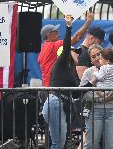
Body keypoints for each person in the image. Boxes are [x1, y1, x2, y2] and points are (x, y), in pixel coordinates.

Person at [42, 15, 77, 149]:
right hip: (55, 103)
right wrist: (68, 27)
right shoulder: (60, 63)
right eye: (73, 52)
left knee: (60, 142)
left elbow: (77, 94)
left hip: (58, 104)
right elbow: (67, 46)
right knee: (58, 143)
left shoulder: (68, 70)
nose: (76, 54)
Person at [79, 44, 113, 149]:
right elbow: (83, 91)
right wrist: (100, 98)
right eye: (93, 56)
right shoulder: (88, 72)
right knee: (90, 145)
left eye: (99, 54)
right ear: (91, 60)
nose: (97, 58)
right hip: (93, 111)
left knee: (111, 145)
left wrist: (112, 95)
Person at [38, 12, 94, 88]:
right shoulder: (53, 46)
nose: (59, 35)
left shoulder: (43, 49)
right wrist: (88, 22)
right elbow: (76, 37)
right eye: (56, 33)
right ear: (49, 35)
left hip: (46, 87)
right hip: (53, 87)